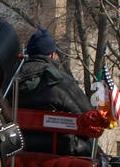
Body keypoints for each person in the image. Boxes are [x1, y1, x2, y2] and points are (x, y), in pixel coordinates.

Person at [17, 28, 97, 156]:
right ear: (52, 55)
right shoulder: (63, 81)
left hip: (17, 146)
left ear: (29, 54)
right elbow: (88, 115)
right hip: (60, 150)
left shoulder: (11, 81)